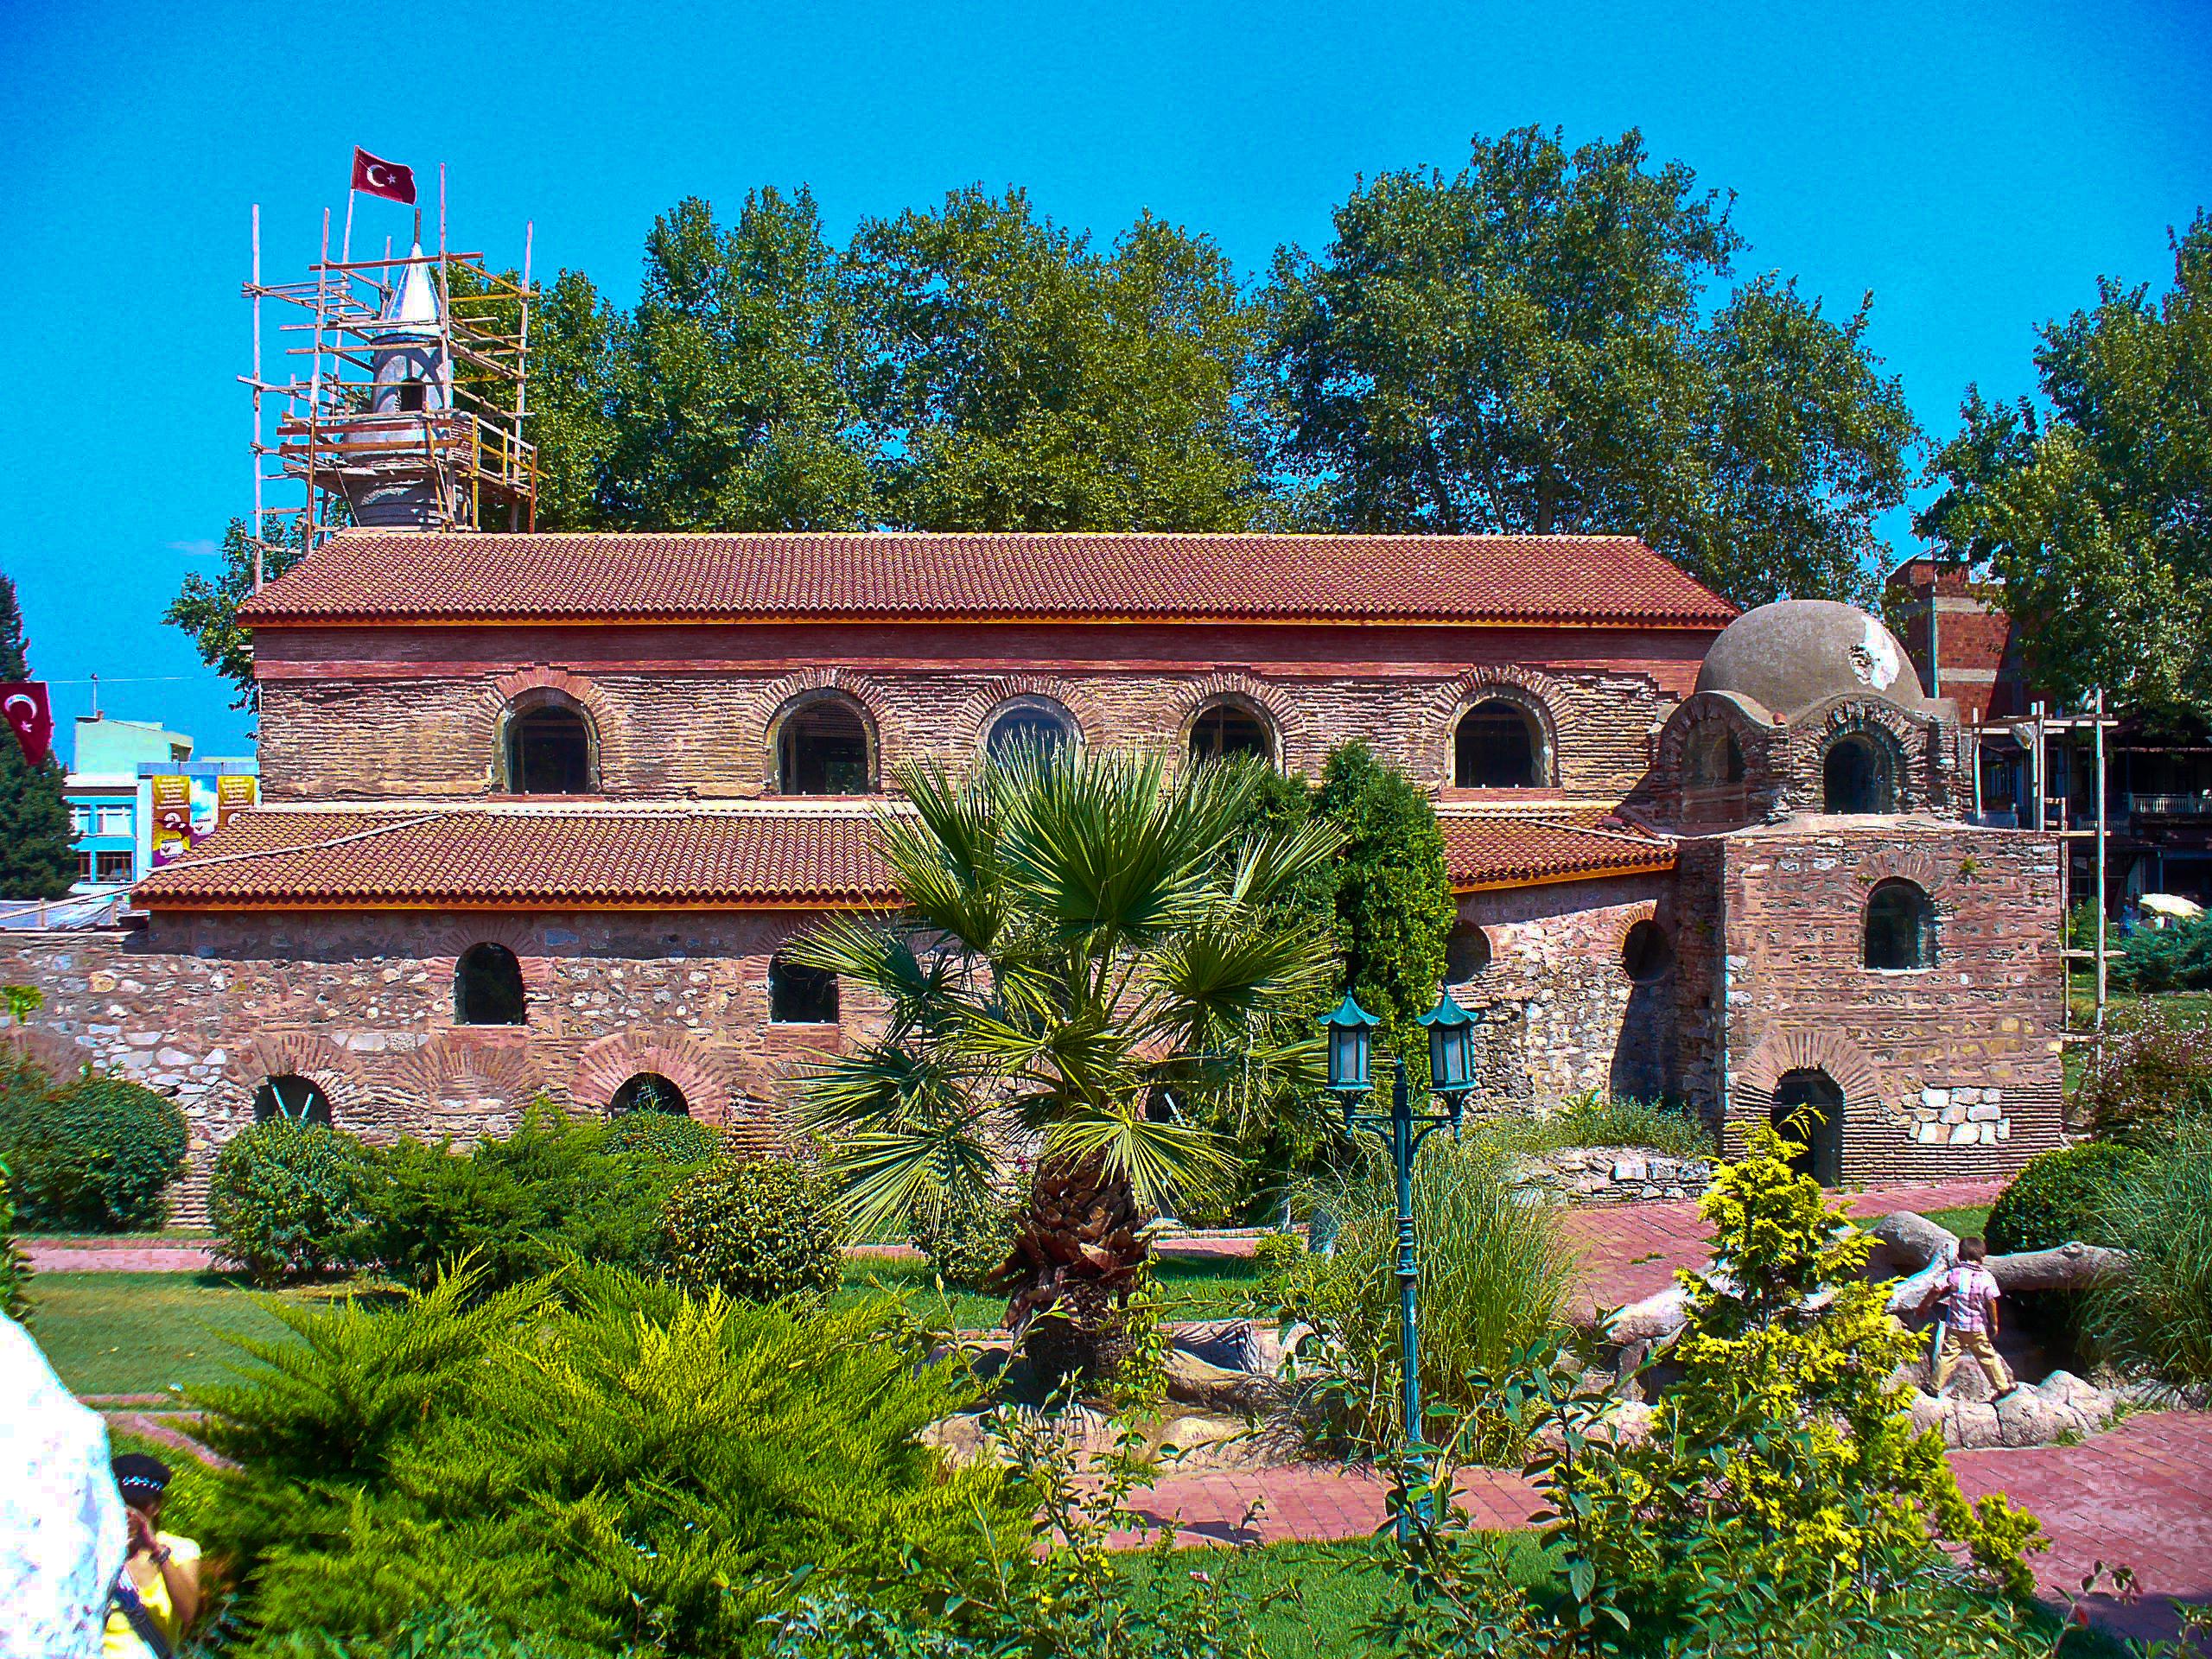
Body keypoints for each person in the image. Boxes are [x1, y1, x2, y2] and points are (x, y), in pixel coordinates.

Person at [103, 1453, 200, 1659]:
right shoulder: (97, 1550)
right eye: (125, 1502)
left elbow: (188, 1612)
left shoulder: (182, 1550)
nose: (131, 1512)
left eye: (140, 1504)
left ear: (156, 1506)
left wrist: (156, 1548)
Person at [1918, 1236, 2017, 1400]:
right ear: (1982, 1257)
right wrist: (1994, 1324)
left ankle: (1934, 1386)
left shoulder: (1954, 1273)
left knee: (1948, 1356)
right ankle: (2003, 1387)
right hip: (1977, 1328)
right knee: (1987, 1357)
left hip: (1955, 1326)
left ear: (1959, 1256)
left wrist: (1924, 1306)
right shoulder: (1986, 1277)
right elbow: (1991, 1301)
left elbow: (1936, 1289)